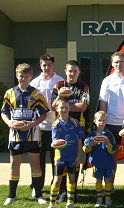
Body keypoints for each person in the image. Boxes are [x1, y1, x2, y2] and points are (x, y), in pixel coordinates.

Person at [1, 63, 49, 205]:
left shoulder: (36, 93)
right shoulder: (9, 93)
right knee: (14, 164)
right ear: (17, 75)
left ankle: (38, 194)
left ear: (30, 77)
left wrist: (32, 124)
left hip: (32, 135)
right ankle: (11, 195)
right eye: (21, 75)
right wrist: (9, 123)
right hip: (15, 135)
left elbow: (44, 114)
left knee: (35, 163)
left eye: (27, 76)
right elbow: (4, 112)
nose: (23, 78)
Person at [98, 51, 124, 191]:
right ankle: (110, 187)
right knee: (111, 157)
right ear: (112, 63)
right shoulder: (107, 81)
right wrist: (102, 124)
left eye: (121, 61)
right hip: (111, 124)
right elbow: (103, 103)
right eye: (116, 62)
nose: (118, 64)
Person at [51, 60, 90, 203]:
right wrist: (61, 97)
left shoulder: (83, 86)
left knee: (76, 159)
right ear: (65, 71)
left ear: (78, 72)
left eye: (75, 71)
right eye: (69, 71)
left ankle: (73, 191)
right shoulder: (59, 86)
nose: (72, 73)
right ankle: (61, 191)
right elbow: (53, 106)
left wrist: (64, 106)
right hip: (60, 127)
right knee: (60, 158)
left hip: (78, 126)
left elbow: (83, 106)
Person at [30, 53, 64, 194]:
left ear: (53, 65)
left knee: (57, 159)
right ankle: (37, 186)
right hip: (40, 127)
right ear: (40, 65)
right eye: (43, 64)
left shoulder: (60, 81)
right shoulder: (34, 83)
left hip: (57, 126)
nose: (46, 67)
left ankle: (57, 186)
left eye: (49, 64)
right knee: (39, 160)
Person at [48, 98, 85, 208]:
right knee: (57, 180)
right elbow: (54, 142)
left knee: (71, 179)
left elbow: (79, 140)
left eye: (66, 107)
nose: (64, 109)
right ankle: (52, 204)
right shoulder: (55, 125)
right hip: (60, 158)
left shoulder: (75, 123)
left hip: (72, 157)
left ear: (69, 109)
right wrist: (56, 144)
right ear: (57, 109)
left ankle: (70, 203)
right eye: (61, 108)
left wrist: (79, 156)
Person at [82, 111, 117, 208]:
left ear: (106, 121)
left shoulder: (109, 135)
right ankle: (99, 198)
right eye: (99, 120)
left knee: (108, 180)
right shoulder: (91, 135)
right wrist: (91, 144)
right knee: (98, 180)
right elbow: (85, 149)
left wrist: (108, 144)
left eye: (103, 120)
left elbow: (113, 150)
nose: (101, 122)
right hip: (97, 162)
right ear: (94, 121)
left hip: (108, 162)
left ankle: (108, 198)